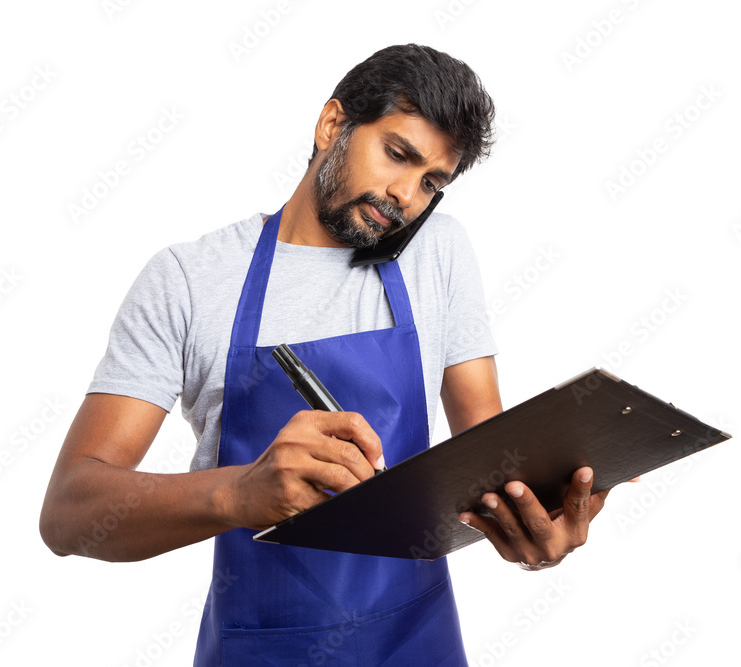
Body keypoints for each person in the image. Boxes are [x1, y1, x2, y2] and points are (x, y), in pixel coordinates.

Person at [40, 43, 617, 666]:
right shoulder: (191, 279)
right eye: (398, 154)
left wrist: (532, 522)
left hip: (417, 642)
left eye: (432, 182)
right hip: (264, 648)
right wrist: (239, 493)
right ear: (332, 125)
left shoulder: (438, 254)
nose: (405, 195)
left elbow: (490, 452)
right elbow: (70, 512)